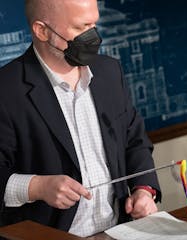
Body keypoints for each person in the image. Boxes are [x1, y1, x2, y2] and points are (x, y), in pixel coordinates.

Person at [0, 0, 161, 237]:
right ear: (42, 30)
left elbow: (134, 140)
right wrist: (37, 187)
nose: (92, 36)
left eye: (93, 24)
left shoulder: (109, 72)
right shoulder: (6, 89)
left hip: (120, 230)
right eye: (80, 27)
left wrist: (144, 190)